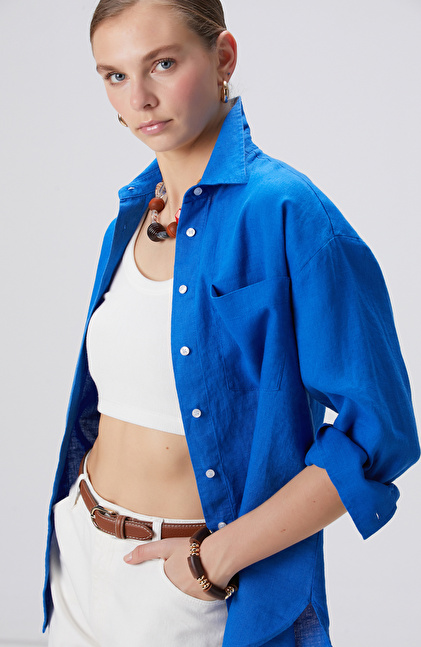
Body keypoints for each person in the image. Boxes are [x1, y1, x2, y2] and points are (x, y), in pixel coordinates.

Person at [43, 1, 420, 645]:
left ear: (223, 58)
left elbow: (379, 430)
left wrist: (209, 563)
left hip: (190, 584)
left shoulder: (287, 210)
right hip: (79, 555)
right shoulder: (132, 217)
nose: (139, 98)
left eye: (163, 64)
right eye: (115, 75)